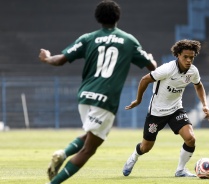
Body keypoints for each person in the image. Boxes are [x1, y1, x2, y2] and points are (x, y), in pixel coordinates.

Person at [38, 1, 157, 183]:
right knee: (89, 149)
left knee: (91, 134)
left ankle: (63, 153)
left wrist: (46, 58)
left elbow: (60, 60)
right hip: (105, 98)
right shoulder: (128, 40)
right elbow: (151, 67)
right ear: (118, 17)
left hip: (85, 96)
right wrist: (150, 59)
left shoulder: (88, 38)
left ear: (98, 18)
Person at [122, 39, 209, 177]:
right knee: (146, 147)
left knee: (190, 139)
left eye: (191, 57)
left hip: (176, 109)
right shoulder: (167, 69)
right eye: (185, 57)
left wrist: (205, 105)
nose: (189, 60)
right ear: (178, 55)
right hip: (156, 112)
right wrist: (138, 100)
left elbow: (198, 85)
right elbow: (145, 79)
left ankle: (180, 170)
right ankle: (134, 156)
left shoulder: (193, 71)